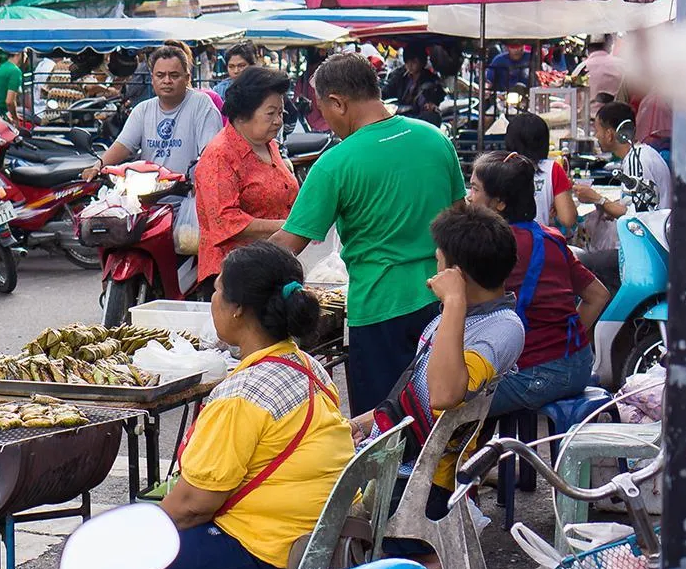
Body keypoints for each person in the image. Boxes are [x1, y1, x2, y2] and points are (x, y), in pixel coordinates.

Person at [62, 243, 350, 569]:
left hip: (264, 554)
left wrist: (117, 539)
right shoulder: (307, 364)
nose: (211, 299)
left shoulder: (243, 394)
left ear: (237, 310)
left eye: (216, 290)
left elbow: (193, 506)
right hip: (305, 541)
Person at [271, 52, 466, 413]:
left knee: (383, 428)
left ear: (338, 102)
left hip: (379, 311)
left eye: (322, 109)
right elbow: (460, 220)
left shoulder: (335, 164)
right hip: (444, 302)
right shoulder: (435, 139)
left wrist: (236, 275)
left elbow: (287, 246)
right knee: (438, 416)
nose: (325, 120)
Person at [352, 206, 524, 517]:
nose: (433, 274)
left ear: (457, 275)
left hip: (421, 486)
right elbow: (413, 397)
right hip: (399, 461)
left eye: (438, 262)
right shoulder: (453, 320)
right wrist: (360, 424)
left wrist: (454, 300)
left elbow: (444, 395)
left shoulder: (504, 327)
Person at [466, 153, 610, 416]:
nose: (468, 197)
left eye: (475, 189)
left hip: (540, 372)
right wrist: (567, 341)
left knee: (450, 402)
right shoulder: (550, 237)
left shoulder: (495, 247)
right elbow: (598, 295)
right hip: (579, 362)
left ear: (499, 203)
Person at [193, 67, 299, 292]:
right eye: (270, 114)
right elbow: (225, 219)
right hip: (233, 277)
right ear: (242, 114)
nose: (278, 121)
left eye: (281, 113)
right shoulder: (220, 155)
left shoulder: (268, 145)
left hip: (271, 265)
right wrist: (287, 228)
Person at [81, 44, 223, 179]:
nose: (166, 81)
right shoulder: (143, 110)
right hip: (149, 191)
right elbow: (123, 145)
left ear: (187, 78)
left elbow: (210, 153)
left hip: (189, 194)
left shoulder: (202, 105)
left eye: (174, 75)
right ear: (152, 79)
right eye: (160, 75)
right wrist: (98, 166)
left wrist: (198, 180)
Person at [575, 101, 673, 289]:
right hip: (649, 251)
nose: (597, 136)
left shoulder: (638, 161)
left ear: (610, 134)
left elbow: (637, 217)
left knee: (582, 265)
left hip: (646, 256)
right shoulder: (640, 155)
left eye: (598, 130)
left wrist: (597, 198)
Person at [504, 112, 576, 233]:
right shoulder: (553, 169)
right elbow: (568, 219)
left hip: (503, 241)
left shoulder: (499, 166)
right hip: (539, 244)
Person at [382, 43, 445, 125]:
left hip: (420, 117)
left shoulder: (431, 79)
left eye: (414, 62)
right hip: (400, 115)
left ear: (422, 62)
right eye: (407, 62)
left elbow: (438, 96)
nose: (410, 65)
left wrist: (431, 104)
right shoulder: (399, 76)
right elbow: (387, 91)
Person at [572, 36, 624, 108]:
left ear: (587, 48)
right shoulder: (622, 66)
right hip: (620, 116)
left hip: (588, 117)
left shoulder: (580, 69)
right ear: (610, 46)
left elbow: (572, 100)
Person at [0, 47, 24, 120]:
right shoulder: (15, 71)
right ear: (20, 54)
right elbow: (9, 102)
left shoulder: (3, 66)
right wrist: (15, 118)